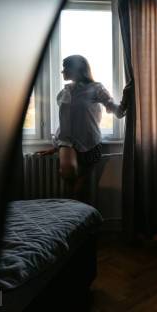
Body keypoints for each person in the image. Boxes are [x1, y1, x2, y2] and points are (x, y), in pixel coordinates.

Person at [38, 55, 131, 203]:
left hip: (90, 143)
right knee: (69, 178)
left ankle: (79, 219)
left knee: (81, 191)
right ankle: (71, 218)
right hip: (67, 143)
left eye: (65, 67)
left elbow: (118, 112)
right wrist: (56, 147)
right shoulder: (63, 93)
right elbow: (64, 123)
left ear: (77, 69)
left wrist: (126, 97)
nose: (62, 72)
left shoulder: (96, 88)